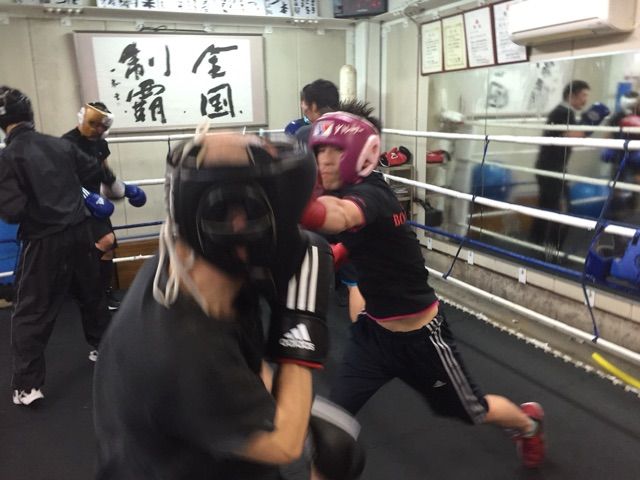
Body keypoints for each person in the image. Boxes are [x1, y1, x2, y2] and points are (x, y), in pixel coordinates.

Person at [93, 131, 365, 480]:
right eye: (289, 221)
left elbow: (242, 360)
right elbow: (283, 445)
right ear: (240, 222)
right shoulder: (185, 348)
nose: (296, 236)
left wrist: (283, 401)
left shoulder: (203, 263)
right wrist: (301, 321)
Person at [299, 102, 546, 469]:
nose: (325, 161)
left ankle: (528, 424)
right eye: (320, 151)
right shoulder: (343, 192)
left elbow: (341, 217)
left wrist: (290, 201)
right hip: (374, 337)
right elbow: (350, 239)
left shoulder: (372, 195)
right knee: (330, 425)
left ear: (361, 153)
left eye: (335, 151)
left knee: (473, 410)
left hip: (422, 340)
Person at [0, 86, 112, 406]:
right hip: (80, 232)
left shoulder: (8, 157)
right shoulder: (59, 144)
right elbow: (94, 171)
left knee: (31, 310)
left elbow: (11, 211)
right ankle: (104, 348)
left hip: (44, 239)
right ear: (30, 115)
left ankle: (28, 387)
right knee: (91, 293)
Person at [62, 102, 147, 312]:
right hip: (74, 202)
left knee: (108, 247)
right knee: (103, 242)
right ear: (85, 119)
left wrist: (122, 190)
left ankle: (103, 293)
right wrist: (86, 196)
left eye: (103, 125)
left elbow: (104, 172)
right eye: (96, 124)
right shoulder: (67, 143)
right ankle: (84, 288)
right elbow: (62, 177)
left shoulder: (100, 143)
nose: (99, 129)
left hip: (95, 200)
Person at [529, 80, 609, 251]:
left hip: (550, 167)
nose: (585, 100)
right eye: (583, 95)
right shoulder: (563, 112)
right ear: (572, 95)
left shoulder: (563, 111)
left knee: (547, 207)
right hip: (552, 169)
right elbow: (574, 136)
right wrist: (592, 120)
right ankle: (552, 250)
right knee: (561, 210)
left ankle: (535, 244)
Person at [295, 79, 340, 146]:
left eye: (304, 103)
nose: (302, 107)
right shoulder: (349, 129)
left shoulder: (305, 134)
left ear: (314, 106)